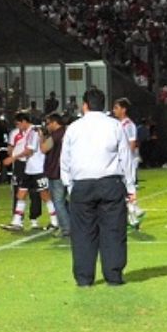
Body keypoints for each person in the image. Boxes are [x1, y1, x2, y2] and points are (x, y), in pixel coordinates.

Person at [61, 88, 135, 286]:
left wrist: (70, 186)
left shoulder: (73, 128)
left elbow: (65, 161)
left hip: (82, 185)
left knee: (82, 233)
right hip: (110, 183)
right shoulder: (115, 125)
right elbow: (125, 157)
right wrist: (130, 187)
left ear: (84, 105)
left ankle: (84, 278)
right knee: (113, 231)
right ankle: (114, 275)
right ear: (103, 105)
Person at [0, 112, 59, 231]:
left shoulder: (34, 131)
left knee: (44, 195)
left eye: (18, 124)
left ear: (24, 122)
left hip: (38, 168)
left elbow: (29, 151)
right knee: (21, 194)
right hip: (29, 169)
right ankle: (17, 222)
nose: (18, 127)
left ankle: (55, 221)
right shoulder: (28, 132)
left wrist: (13, 158)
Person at [112, 98, 145, 228]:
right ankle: (134, 212)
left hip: (127, 161)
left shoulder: (128, 125)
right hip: (122, 160)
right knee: (125, 187)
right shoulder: (118, 124)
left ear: (124, 109)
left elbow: (132, 143)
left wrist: (127, 159)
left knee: (128, 186)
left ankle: (134, 213)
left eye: (116, 107)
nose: (114, 110)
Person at [41, 112, 70, 237]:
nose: (47, 126)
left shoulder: (56, 135)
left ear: (54, 123)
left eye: (48, 123)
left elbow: (43, 148)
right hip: (66, 171)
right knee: (63, 201)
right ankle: (71, 225)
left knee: (58, 202)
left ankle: (66, 229)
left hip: (56, 172)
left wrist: (41, 137)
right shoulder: (67, 132)